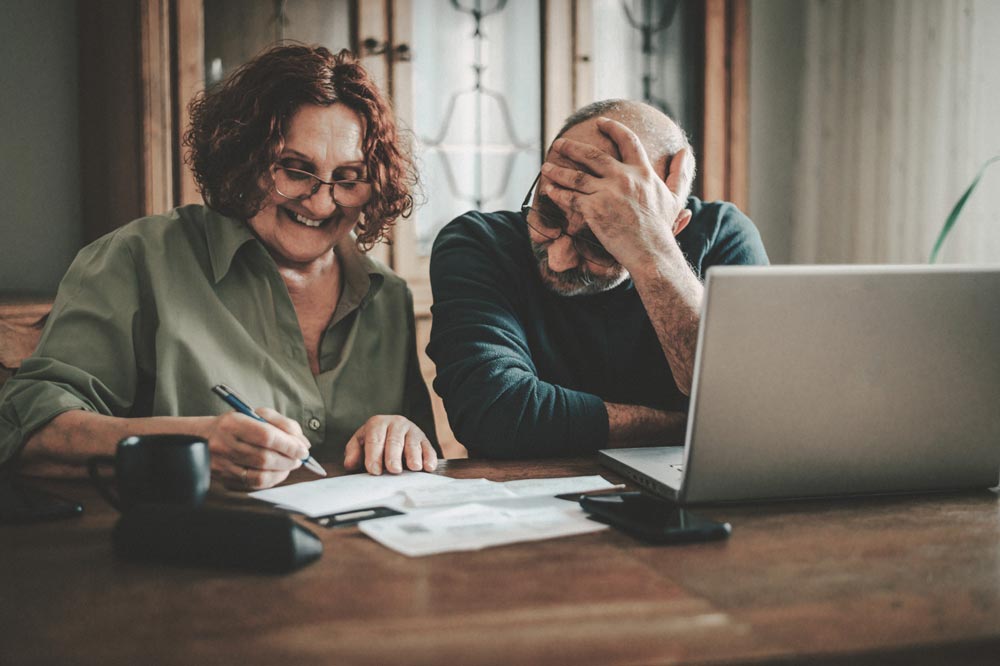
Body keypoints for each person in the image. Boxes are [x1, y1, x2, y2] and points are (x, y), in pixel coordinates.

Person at [0, 45, 438, 488]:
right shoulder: (139, 259)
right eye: (294, 169)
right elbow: (30, 432)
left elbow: (423, 461)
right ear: (244, 159)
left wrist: (405, 436)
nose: (322, 202)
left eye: (348, 178)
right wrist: (195, 444)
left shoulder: (390, 296)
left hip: (362, 553)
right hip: (187, 548)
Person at [428, 99, 768, 458]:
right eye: (548, 217)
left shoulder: (723, 236)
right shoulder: (478, 243)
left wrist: (653, 251)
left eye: (599, 242)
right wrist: (693, 428)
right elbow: (496, 416)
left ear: (673, 226)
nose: (558, 261)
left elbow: (746, 406)